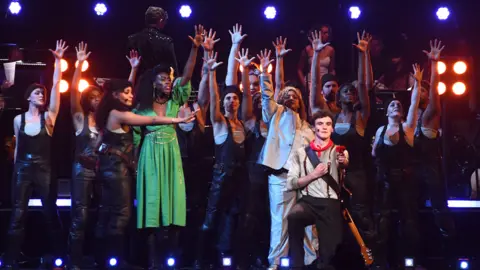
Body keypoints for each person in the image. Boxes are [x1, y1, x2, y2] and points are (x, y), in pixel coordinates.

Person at [93, 79, 196, 269]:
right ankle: (113, 261)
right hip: (116, 170)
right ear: (115, 95)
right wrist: (177, 120)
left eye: (131, 92)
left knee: (109, 214)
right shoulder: (117, 114)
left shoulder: (110, 112)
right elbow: (153, 120)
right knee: (121, 216)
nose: (131, 95)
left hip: (110, 169)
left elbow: (97, 146)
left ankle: (105, 259)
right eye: (126, 92)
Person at [132, 24, 202, 269]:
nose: (168, 83)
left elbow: (187, 75)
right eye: (163, 79)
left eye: (169, 79)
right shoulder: (142, 105)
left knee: (171, 209)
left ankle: (169, 260)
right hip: (150, 156)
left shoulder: (175, 100)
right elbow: (136, 138)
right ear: (153, 83)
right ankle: (151, 263)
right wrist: (134, 163)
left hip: (171, 154)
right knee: (152, 206)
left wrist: (195, 49)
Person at [67, 42, 140, 270]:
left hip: (104, 170)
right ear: (88, 99)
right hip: (83, 170)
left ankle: (103, 259)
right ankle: (74, 261)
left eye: (101, 97)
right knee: (81, 217)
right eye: (94, 97)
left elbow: (122, 93)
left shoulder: (107, 120)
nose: (98, 100)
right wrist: (79, 64)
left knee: (105, 214)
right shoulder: (80, 118)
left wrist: (134, 70)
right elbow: (72, 94)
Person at [2, 40, 67, 269]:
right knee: (17, 215)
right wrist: (15, 171)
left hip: (44, 169)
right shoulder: (18, 119)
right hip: (22, 170)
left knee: (51, 213)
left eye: (43, 92)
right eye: (38, 92)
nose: (42, 94)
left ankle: (62, 258)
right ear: (29, 96)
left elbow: (57, 85)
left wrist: (58, 61)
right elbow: (18, 148)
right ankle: (9, 261)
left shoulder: (48, 118)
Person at [310, 31, 376, 246]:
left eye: (352, 91)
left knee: (359, 215)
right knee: (332, 217)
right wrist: (316, 58)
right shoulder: (332, 118)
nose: (349, 93)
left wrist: (363, 55)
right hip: (333, 174)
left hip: (356, 173)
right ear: (339, 96)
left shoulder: (361, 116)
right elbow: (314, 93)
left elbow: (365, 85)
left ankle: (365, 255)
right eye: (345, 90)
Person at [257, 49, 317, 270]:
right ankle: (275, 263)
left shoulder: (308, 127)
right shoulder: (276, 114)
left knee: (310, 224)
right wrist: (265, 72)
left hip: (305, 181)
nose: (292, 97)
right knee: (280, 223)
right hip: (281, 178)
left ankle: (312, 261)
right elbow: (267, 97)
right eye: (287, 94)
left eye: (295, 95)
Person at [193, 45, 248, 268]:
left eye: (235, 98)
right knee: (211, 218)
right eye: (228, 99)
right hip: (221, 177)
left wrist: (244, 69)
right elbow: (214, 100)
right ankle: (199, 259)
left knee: (232, 217)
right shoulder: (219, 123)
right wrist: (212, 73)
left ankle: (225, 258)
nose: (231, 101)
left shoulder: (243, 123)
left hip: (239, 178)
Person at [371, 63, 422, 268]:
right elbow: (374, 153)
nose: (396, 106)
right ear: (386, 112)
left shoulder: (407, 128)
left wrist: (417, 83)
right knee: (382, 221)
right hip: (384, 181)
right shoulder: (381, 130)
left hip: (403, 180)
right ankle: (381, 261)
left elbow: (414, 104)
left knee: (408, 220)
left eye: (398, 105)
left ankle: (410, 261)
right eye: (392, 105)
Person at [286, 110, 348, 270]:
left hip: (330, 204)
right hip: (308, 202)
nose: (324, 127)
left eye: (328, 124)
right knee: (293, 217)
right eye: (320, 124)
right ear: (313, 128)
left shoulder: (339, 151)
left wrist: (343, 163)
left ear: (333, 128)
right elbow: (291, 183)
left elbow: (343, 163)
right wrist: (313, 175)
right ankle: (297, 266)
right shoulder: (300, 153)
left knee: (328, 256)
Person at [414, 40, 455, 251]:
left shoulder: (429, 115)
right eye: (416, 89)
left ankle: (448, 244)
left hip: (430, 169)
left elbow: (434, 97)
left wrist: (434, 65)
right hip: (411, 170)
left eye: (422, 90)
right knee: (410, 209)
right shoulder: (408, 118)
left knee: (439, 208)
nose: (419, 92)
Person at [127, 6, 178, 80]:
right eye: (165, 21)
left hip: (138, 82)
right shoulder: (166, 40)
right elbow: (173, 66)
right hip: (161, 83)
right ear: (161, 21)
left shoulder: (132, 39)